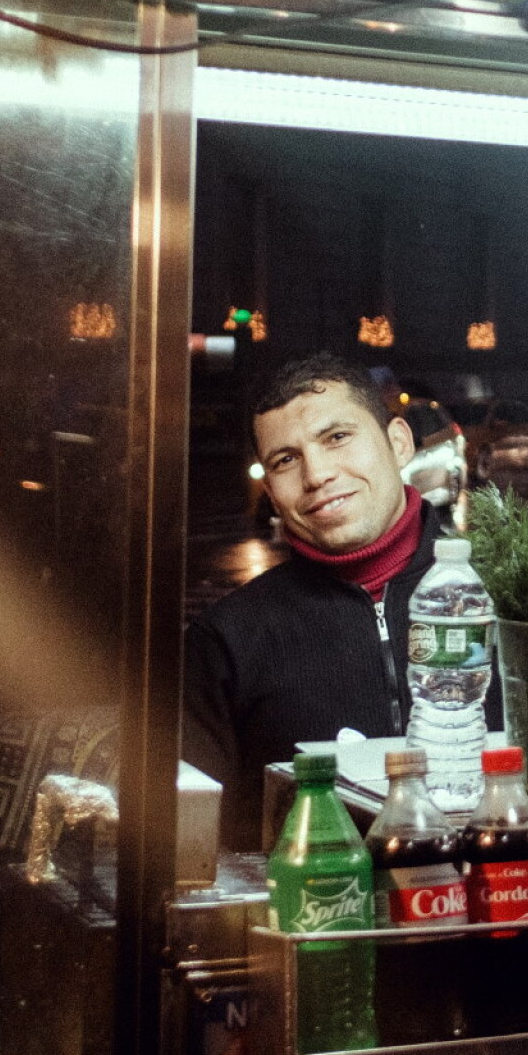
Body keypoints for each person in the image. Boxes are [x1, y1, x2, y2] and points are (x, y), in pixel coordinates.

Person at [185, 352, 459, 848]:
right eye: (286, 460)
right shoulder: (227, 642)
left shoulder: (512, 599)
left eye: (337, 438)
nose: (317, 475)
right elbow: (200, 849)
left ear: (399, 443)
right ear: (270, 490)